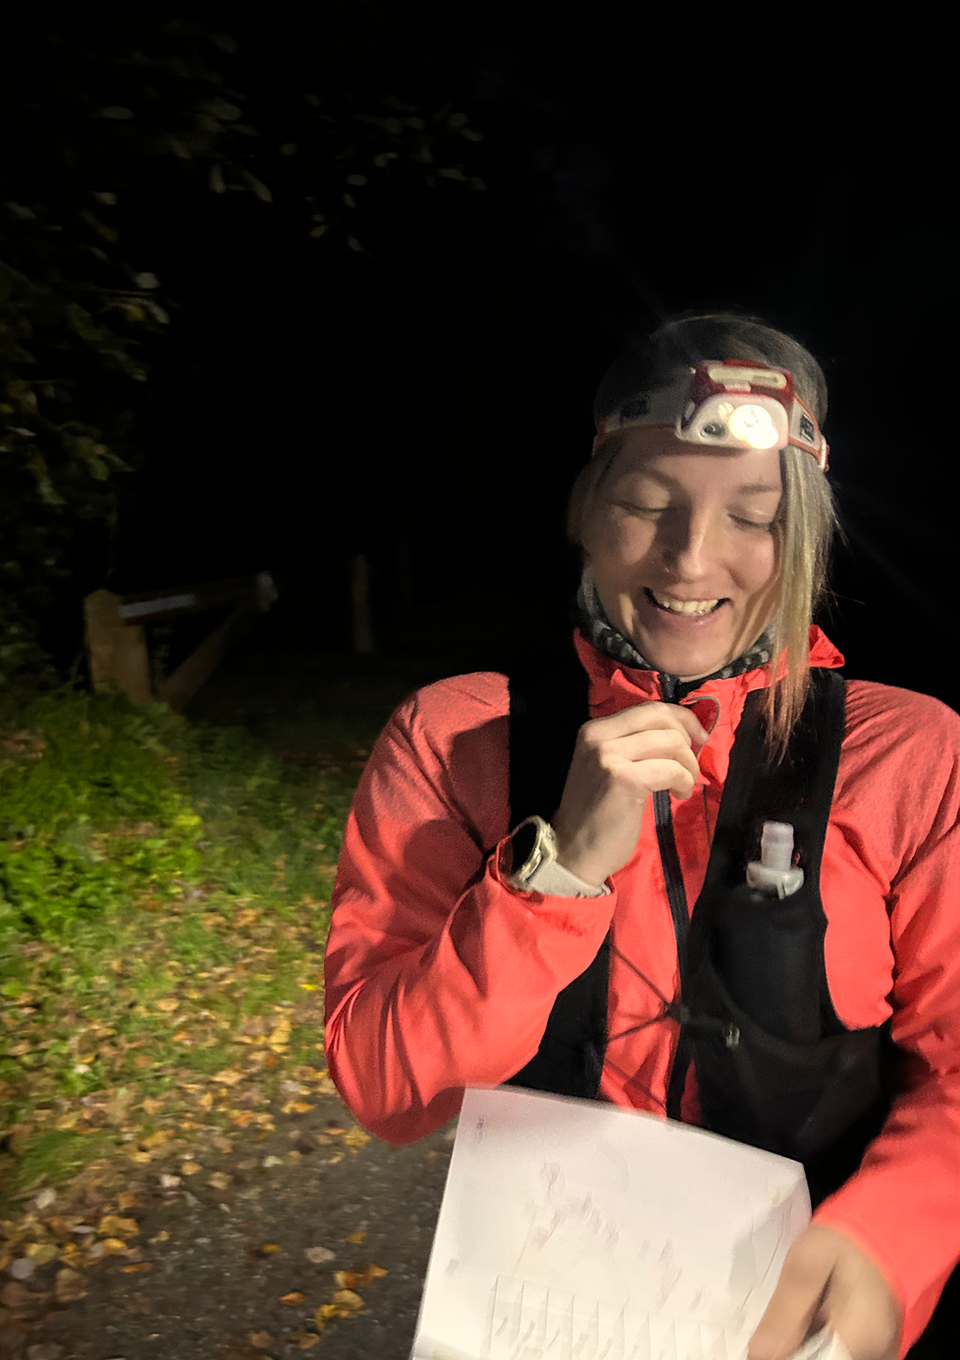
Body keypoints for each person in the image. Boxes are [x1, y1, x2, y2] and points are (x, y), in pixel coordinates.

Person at [323, 313, 960, 1360]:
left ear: (803, 537)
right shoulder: (455, 737)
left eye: (753, 516)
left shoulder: (913, 757)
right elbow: (384, 1089)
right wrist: (556, 875)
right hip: (540, 1324)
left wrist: (886, 1240)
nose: (692, 558)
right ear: (586, 509)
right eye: (647, 503)